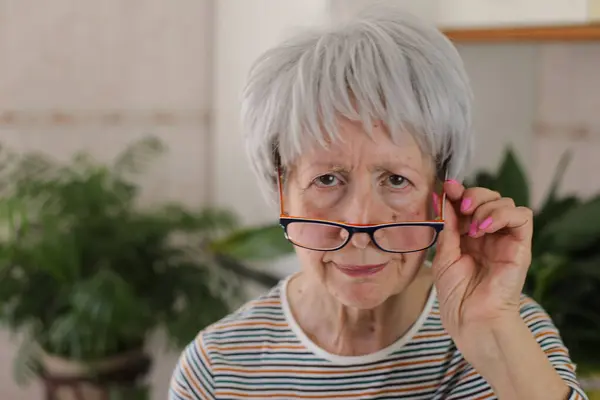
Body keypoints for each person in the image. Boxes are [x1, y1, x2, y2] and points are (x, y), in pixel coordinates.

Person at [169, 5, 588, 400]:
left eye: (396, 179)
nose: (361, 222)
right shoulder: (217, 370)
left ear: (441, 191)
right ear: (281, 188)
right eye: (327, 179)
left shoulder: (512, 331)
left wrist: (494, 336)